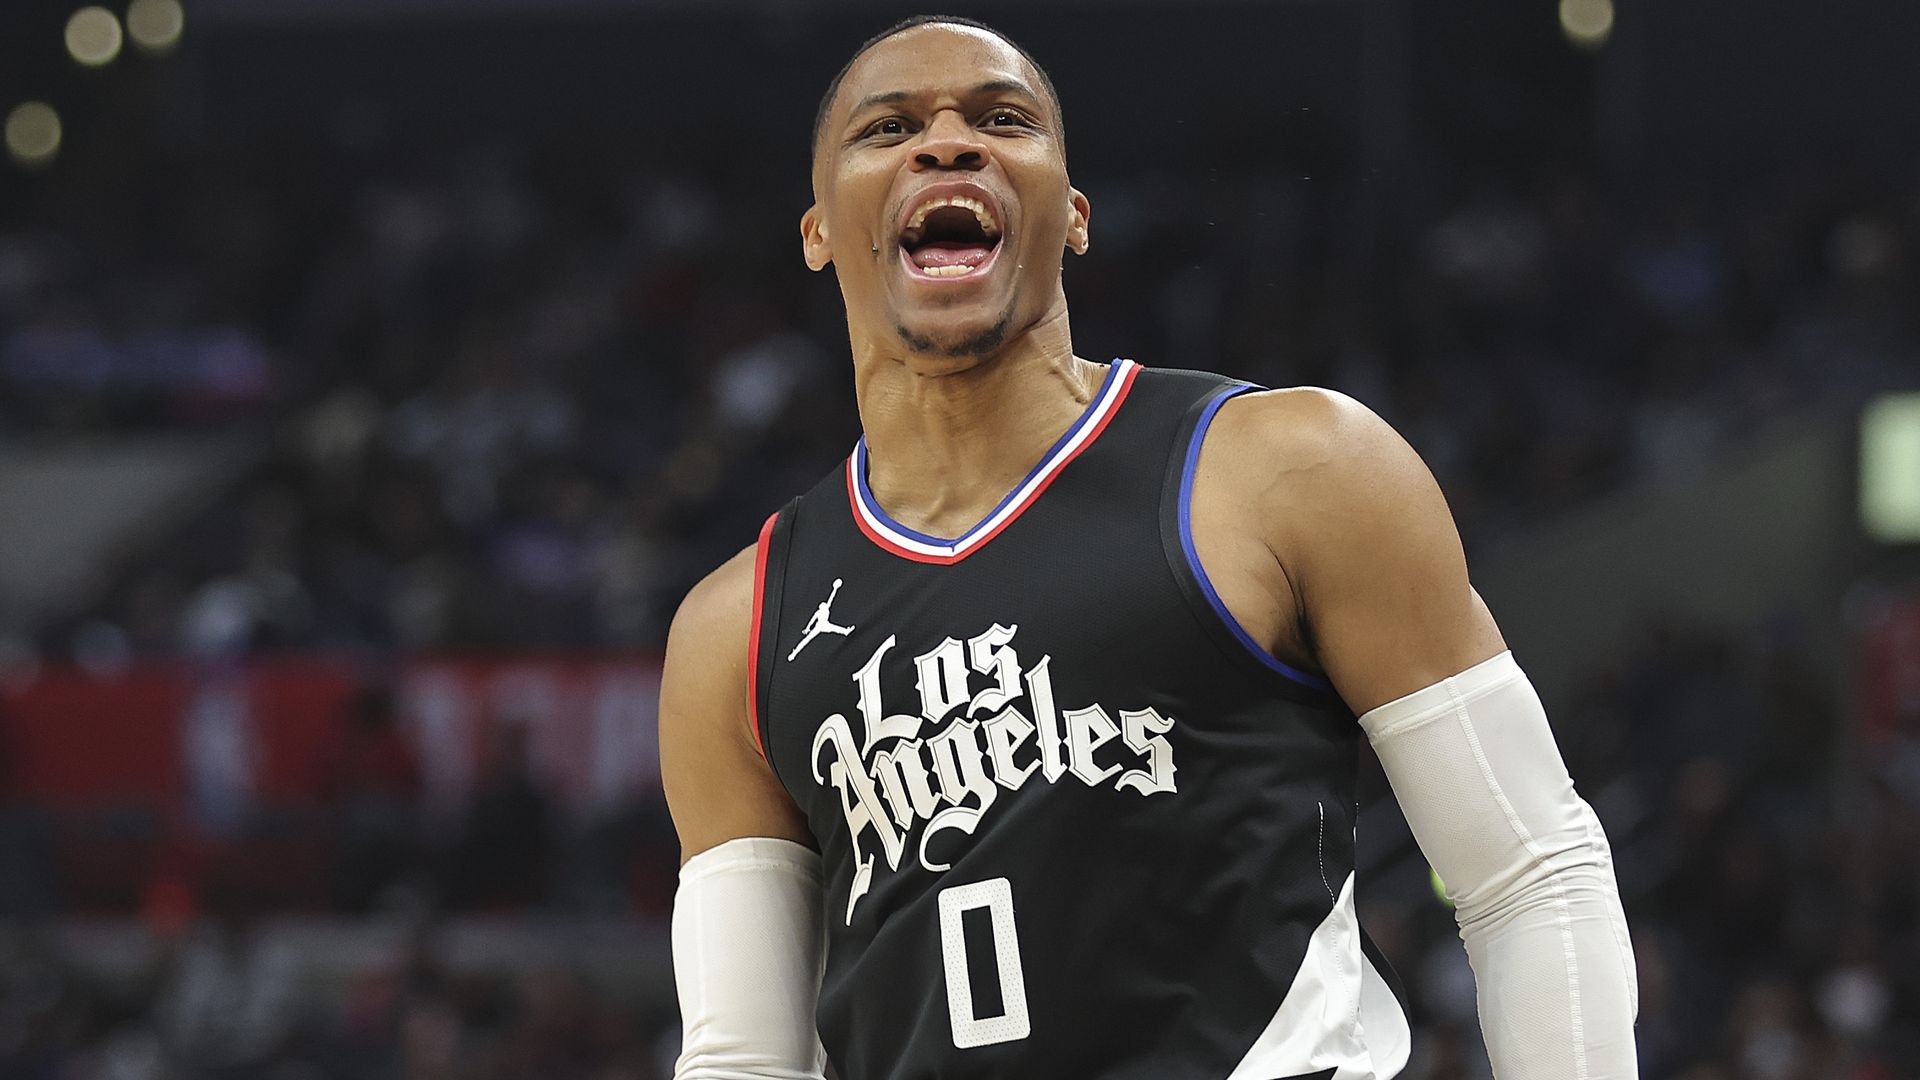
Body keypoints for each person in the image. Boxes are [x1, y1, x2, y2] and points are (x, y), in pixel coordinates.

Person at [660, 14, 1637, 1079]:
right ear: (817, 232)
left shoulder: (1292, 469)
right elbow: (743, 1060)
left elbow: (1529, 869)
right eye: (888, 127)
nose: (947, 143)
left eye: (1001, 118)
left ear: (1074, 217)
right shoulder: (736, 629)